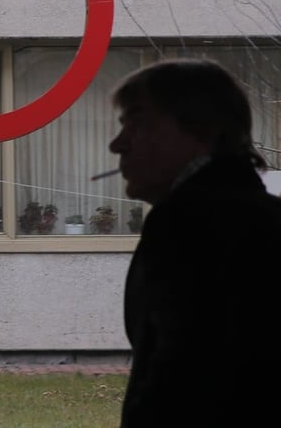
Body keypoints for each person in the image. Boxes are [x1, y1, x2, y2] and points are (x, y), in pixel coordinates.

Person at [108, 58, 281, 427]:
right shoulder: (265, 215)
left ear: (201, 130)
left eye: (137, 123)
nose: (117, 145)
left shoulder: (188, 222)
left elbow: (181, 382)